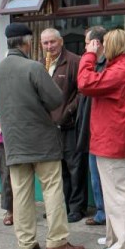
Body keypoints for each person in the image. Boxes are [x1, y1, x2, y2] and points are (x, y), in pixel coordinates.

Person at [0, 22, 85, 249]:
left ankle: (26, 243)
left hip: (13, 142)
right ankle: (57, 241)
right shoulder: (34, 67)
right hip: (42, 140)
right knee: (52, 189)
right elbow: (56, 99)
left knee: (21, 194)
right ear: (27, 42)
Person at [77, 28, 125, 249]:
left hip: (111, 140)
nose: (101, 48)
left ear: (113, 46)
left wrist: (88, 55)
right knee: (113, 192)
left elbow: (85, 83)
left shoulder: (120, 71)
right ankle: (114, 237)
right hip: (115, 138)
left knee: (117, 193)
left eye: (104, 44)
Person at [41, 28, 87, 223]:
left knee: (75, 168)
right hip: (49, 128)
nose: (49, 46)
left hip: (69, 125)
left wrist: (68, 112)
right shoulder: (40, 64)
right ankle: (62, 206)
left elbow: (82, 91)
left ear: (61, 42)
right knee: (57, 170)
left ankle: (77, 208)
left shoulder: (74, 61)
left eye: (52, 42)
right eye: (45, 43)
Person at [76, 26, 108, 226]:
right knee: (95, 175)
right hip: (90, 127)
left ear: (96, 44)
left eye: (87, 43)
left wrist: (90, 57)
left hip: (101, 131)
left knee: (102, 177)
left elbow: (86, 85)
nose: (85, 48)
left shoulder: (105, 65)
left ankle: (104, 213)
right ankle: (101, 211)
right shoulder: (93, 63)